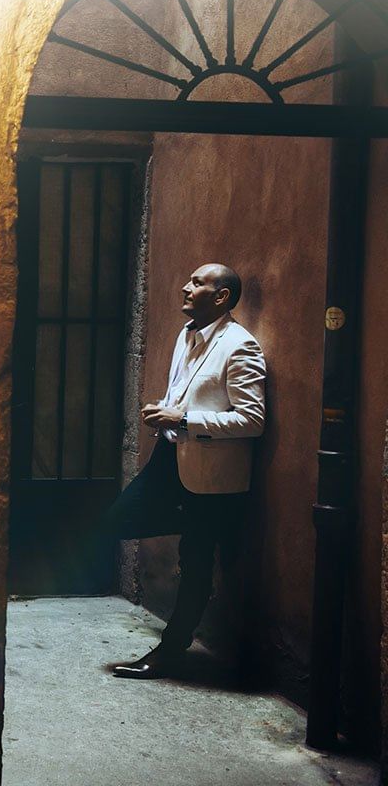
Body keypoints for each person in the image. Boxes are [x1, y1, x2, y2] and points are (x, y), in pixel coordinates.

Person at [107, 263, 266, 679]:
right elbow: (185, 392)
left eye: (197, 283)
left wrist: (184, 418)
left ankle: (169, 650)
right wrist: (165, 409)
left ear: (222, 297)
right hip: (171, 457)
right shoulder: (186, 334)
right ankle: (200, 540)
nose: (185, 285)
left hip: (209, 475)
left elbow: (253, 420)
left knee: (195, 561)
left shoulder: (241, 346)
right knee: (118, 520)